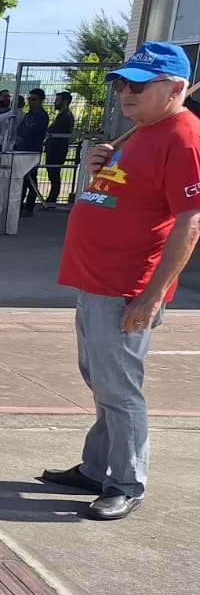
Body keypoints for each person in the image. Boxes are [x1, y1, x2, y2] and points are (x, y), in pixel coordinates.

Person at [41, 42, 200, 521]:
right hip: (97, 281)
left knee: (119, 390)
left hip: (126, 286)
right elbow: (121, 197)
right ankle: (98, 467)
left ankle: (126, 482)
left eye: (140, 85)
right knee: (101, 381)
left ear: (175, 88)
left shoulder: (182, 136)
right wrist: (99, 170)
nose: (126, 93)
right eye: (123, 84)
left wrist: (150, 298)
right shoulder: (143, 131)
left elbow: (190, 220)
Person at [12, 88, 49, 216]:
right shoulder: (28, 115)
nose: (30, 102)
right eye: (29, 99)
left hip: (32, 150)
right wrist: (25, 131)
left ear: (40, 100)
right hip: (22, 149)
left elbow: (31, 132)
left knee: (31, 178)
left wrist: (26, 131)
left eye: (33, 99)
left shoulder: (42, 116)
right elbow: (20, 130)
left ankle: (29, 207)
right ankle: (19, 205)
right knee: (22, 178)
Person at [43, 90, 76, 210]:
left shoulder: (66, 116)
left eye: (58, 100)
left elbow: (53, 130)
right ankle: (51, 199)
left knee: (54, 173)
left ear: (65, 101)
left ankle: (52, 200)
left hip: (58, 149)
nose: (55, 102)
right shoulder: (62, 115)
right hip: (53, 148)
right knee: (52, 173)